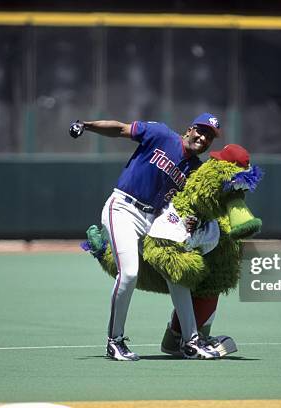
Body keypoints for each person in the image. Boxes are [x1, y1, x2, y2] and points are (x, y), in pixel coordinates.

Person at [70, 113, 222, 361]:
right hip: (123, 208)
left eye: (209, 137)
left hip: (155, 222)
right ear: (190, 129)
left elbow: (188, 207)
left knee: (176, 272)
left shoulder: (196, 171)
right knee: (129, 273)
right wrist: (86, 125)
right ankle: (115, 341)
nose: (203, 138)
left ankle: (191, 341)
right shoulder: (161, 134)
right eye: (201, 131)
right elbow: (120, 129)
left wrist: (194, 220)